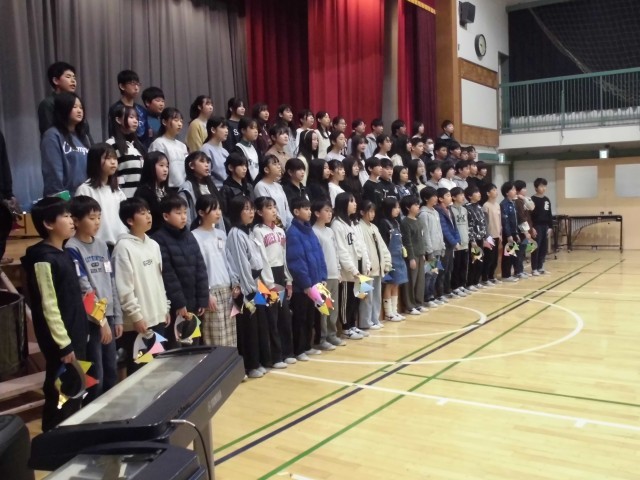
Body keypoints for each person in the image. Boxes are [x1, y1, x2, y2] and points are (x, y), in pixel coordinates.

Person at [21, 197, 88, 431]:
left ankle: (70, 438)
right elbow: (48, 306)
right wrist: (63, 344)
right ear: (49, 224)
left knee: (75, 392)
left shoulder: (65, 253)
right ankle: (53, 441)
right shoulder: (43, 259)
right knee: (61, 396)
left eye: (71, 216)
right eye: (66, 216)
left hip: (76, 336)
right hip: (62, 343)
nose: (71, 221)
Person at [66, 196, 121, 402]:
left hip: (109, 316)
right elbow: (85, 289)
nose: (97, 222)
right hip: (92, 321)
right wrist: (102, 321)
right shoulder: (72, 248)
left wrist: (117, 317)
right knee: (96, 375)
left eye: (99, 217)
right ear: (76, 221)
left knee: (112, 370)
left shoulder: (102, 245)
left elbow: (111, 281)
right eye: (91, 218)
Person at [113, 197, 170, 374]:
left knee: (158, 370)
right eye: (142, 213)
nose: (148, 216)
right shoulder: (123, 248)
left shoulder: (153, 245)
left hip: (158, 317)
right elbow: (124, 288)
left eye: (149, 212)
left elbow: (159, 280)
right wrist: (136, 316)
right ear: (130, 221)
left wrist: (165, 307)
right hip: (139, 323)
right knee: (141, 373)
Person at [151, 195, 208, 348]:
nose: (183, 217)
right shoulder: (158, 239)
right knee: (176, 349)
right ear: (166, 216)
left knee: (194, 346)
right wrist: (179, 303)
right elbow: (167, 275)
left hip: (194, 303)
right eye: (178, 213)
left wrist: (202, 299)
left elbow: (200, 268)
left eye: (185, 212)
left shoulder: (189, 236)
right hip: (175, 307)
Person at [225, 196, 270, 378]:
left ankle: (257, 361)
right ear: (237, 212)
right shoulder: (235, 234)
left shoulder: (248, 232)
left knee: (258, 326)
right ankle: (249, 366)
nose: (250, 212)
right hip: (245, 289)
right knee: (247, 328)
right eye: (246, 209)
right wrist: (249, 291)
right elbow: (241, 265)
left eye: (251, 209)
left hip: (255, 284)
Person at [252, 197, 294, 366]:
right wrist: (269, 284)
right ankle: (274, 357)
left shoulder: (281, 231)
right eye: (269, 208)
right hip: (265, 279)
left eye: (274, 207)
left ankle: (287, 352)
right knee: (271, 318)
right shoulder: (257, 231)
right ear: (259, 212)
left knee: (284, 316)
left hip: (280, 274)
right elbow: (262, 259)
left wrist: (288, 279)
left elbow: (284, 256)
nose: (274, 210)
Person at [191, 195, 238, 347]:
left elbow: (229, 261)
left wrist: (235, 283)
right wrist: (206, 293)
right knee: (216, 340)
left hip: (227, 290)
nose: (218, 212)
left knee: (231, 338)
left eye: (219, 208)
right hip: (211, 292)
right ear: (201, 212)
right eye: (213, 209)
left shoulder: (221, 234)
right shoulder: (194, 236)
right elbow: (197, 268)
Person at [286, 196, 329, 359]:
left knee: (311, 317)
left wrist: (322, 276)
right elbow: (296, 261)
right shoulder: (293, 233)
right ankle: (299, 350)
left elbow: (319, 254)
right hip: (302, 287)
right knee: (301, 318)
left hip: (315, 283)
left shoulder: (309, 230)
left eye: (310, 208)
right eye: (305, 209)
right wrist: (305, 284)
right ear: (296, 212)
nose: (309, 212)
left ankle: (307, 345)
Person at [75, 143, 127, 248]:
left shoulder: (117, 191)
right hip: (97, 246)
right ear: (95, 161)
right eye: (108, 158)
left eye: (114, 158)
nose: (113, 162)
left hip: (120, 244)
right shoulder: (85, 190)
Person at [331, 192, 367, 340]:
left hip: (359, 265)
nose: (355, 204)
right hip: (348, 271)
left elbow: (361, 246)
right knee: (347, 300)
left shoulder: (353, 223)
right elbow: (342, 251)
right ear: (343, 204)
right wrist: (352, 269)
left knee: (357, 298)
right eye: (351, 201)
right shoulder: (337, 224)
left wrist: (366, 264)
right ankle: (346, 328)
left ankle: (353, 325)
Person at [41, 92, 91, 196]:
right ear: (63, 109)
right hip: (66, 198)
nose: (79, 111)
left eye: (81, 107)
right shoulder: (52, 135)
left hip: (85, 197)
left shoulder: (83, 137)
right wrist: (62, 200)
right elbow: (53, 173)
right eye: (74, 107)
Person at [311, 199, 346, 348]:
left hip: (334, 275)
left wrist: (338, 270)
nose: (330, 214)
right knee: (323, 309)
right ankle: (322, 338)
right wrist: (320, 276)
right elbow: (316, 257)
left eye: (331, 211)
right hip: (323, 277)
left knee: (333, 308)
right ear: (317, 213)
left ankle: (332, 334)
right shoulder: (313, 232)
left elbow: (336, 252)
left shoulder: (330, 231)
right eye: (326, 211)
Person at [357, 200, 392, 331]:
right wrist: (366, 266)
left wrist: (387, 262)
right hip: (366, 270)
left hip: (377, 268)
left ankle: (374, 319)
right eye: (369, 211)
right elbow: (362, 249)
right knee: (366, 296)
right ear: (362, 212)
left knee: (376, 295)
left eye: (373, 211)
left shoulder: (374, 227)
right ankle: (365, 322)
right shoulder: (358, 227)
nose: (372, 214)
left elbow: (382, 247)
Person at [375, 198, 407, 321]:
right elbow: (383, 244)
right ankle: (388, 313)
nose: (398, 210)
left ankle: (395, 310)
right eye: (395, 207)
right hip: (389, 258)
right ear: (388, 208)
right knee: (389, 284)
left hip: (399, 256)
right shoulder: (384, 223)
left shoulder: (396, 222)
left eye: (398, 207)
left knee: (396, 283)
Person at [107, 104, 146, 198]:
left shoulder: (137, 146)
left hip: (140, 200)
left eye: (137, 118)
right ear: (118, 120)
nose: (135, 121)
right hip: (123, 198)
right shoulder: (111, 144)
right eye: (131, 117)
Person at [38, 62, 83, 137]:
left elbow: (85, 132)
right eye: (68, 77)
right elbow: (48, 133)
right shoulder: (48, 104)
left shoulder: (76, 102)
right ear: (56, 81)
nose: (73, 81)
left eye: (74, 78)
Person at [400, 195, 427, 315]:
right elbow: (407, 242)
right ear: (407, 207)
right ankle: (409, 305)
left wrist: (423, 253)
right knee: (411, 281)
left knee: (420, 281)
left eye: (418, 204)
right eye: (415, 205)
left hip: (420, 254)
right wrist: (411, 258)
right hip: (413, 255)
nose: (418, 206)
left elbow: (421, 238)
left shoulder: (419, 220)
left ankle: (418, 303)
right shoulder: (405, 222)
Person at [179, 151, 221, 227]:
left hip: (215, 230)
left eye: (207, 162)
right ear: (191, 165)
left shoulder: (211, 186)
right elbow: (186, 218)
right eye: (202, 161)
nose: (206, 165)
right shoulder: (186, 189)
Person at [148, 107, 188, 188]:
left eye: (181, 121)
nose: (180, 124)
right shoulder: (158, 143)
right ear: (164, 122)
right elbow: (153, 169)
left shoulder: (182, 146)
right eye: (176, 120)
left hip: (182, 188)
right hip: (166, 188)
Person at [419, 187, 445, 307]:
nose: (435, 198)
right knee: (428, 274)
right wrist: (429, 251)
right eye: (433, 196)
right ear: (426, 198)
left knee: (435, 273)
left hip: (438, 248)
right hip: (431, 250)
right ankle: (426, 297)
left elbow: (439, 230)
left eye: (436, 196)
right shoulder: (423, 214)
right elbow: (425, 234)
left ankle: (431, 295)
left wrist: (442, 245)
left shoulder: (435, 212)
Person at [133, 151, 170, 235]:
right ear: (150, 167)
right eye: (161, 165)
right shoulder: (142, 192)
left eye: (167, 166)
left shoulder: (168, 191)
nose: (165, 169)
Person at [254, 155, 293, 228]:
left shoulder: (279, 186)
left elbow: (286, 208)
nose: (279, 166)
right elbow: (267, 208)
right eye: (274, 164)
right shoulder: (260, 186)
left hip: (285, 227)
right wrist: (280, 227)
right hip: (272, 227)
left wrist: (290, 226)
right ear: (266, 169)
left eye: (278, 164)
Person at [107, 70, 147, 142]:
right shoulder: (116, 109)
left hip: (141, 147)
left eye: (138, 84)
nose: (136, 88)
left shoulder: (141, 110)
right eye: (132, 84)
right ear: (122, 86)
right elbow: (114, 133)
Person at [435, 188, 460, 301]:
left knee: (449, 268)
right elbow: (444, 230)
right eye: (448, 195)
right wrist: (454, 242)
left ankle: (447, 289)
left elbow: (454, 227)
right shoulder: (439, 211)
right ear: (440, 199)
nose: (450, 198)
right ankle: (439, 293)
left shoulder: (449, 210)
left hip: (451, 244)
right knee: (442, 270)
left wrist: (457, 239)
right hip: (444, 244)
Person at [464, 185, 489, 291]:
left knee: (479, 260)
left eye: (479, 192)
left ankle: (476, 281)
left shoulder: (479, 207)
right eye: (476, 192)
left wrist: (485, 236)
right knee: (473, 261)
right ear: (470, 196)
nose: (479, 194)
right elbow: (469, 226)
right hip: (473, 240)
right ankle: (470, 283)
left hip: (480, 238)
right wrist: (472, 240)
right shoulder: (467, 208)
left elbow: (483, 223)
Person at [450, 187, 471, 297]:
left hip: (465, 241)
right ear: (453, 197)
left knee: (464, 265)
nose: (463, 197)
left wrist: (467, 239)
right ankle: (455, 287)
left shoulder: (464, 210)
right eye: (460, 195)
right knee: (456, 266)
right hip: (456, 244)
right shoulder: (450, 210)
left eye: (463, 194)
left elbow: (466, 226)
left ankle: (462, 285)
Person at [200, 116, 229, 189]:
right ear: (213, 130)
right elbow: (206, 175)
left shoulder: (225, 151)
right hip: (215, 190)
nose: (226, 131)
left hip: (227, 189)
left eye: (227, 128)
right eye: (223, 127)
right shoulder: (206, 149)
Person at [531, 178, 553, 275]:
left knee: (543, 248)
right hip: (536, 226)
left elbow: (549, 214)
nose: (543, 188)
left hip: (545, 226)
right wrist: (531, 227)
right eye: (541, 186)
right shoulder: (532, 199)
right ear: (536, 188)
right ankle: (534, 268)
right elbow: (529, 215)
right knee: (535, 247)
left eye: (544, 186)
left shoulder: (546, 200)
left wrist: (550, 227)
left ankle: (540, 267)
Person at [514, 180, 535, 279]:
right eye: (523, 188)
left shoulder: (524, 200)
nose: (525, 190)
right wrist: (526, 231)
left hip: (527, 228)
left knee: (522, 251)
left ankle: (521, 270)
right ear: (518, 190)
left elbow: (532, 207)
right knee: (519, 251)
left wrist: (525, 199)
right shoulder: (517, 201)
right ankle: (518, 271)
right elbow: (521, 218)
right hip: (521, 231)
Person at [482, 183, 502, 286]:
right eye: (493, 190)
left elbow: (499, 220)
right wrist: (487, 236)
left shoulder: (498, 205)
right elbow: (485, 222)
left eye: (496, 189)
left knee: (495, 258)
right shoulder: (486, 206)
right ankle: (485, 278)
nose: (496, 192)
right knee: (488, 258)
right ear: (488, 193)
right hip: (489, 236)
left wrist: (500, 234)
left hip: (497, 235)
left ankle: (491, 276)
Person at [500, 181, 520, 282]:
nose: (515, 191)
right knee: (507, 255)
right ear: (507, 192)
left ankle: (510, 273)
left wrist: (516, 233)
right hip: (508, 234)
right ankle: (506, 275)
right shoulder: (504, 204)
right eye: (512, 189)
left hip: (513, 232)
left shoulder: (513, 203)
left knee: (512, 254)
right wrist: (508, 235)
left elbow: (515, 220)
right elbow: (505, 221)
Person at [231, 117, 260, 181]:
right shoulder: (237, 149)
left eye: (256, 128)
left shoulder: (255, 148)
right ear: (243, 130)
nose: (256, 131)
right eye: (252, 128)